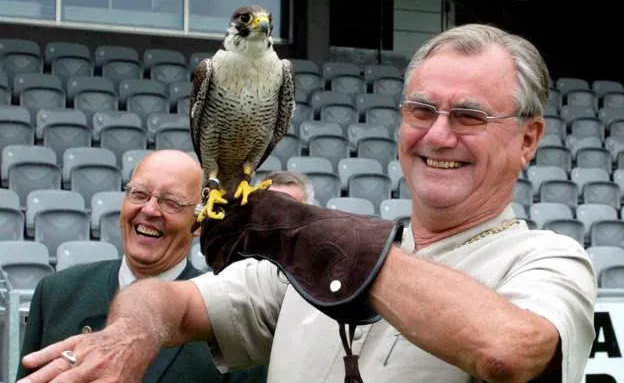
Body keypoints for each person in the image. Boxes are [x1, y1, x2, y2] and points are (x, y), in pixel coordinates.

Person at [17, 24, 597, 383]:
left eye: (468, 115)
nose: (438, 135)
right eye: (421, 111)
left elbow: (509, 351)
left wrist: (323, 239)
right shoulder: (302, 264)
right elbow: (167, 300)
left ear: (528, 139)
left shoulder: (548, 260)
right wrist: (133, 333)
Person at [16, 149, 267, 383]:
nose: (149, 209)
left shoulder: (230, 315)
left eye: (171, 202)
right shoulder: (57, 292)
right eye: (139, 194)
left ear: (200, 223)